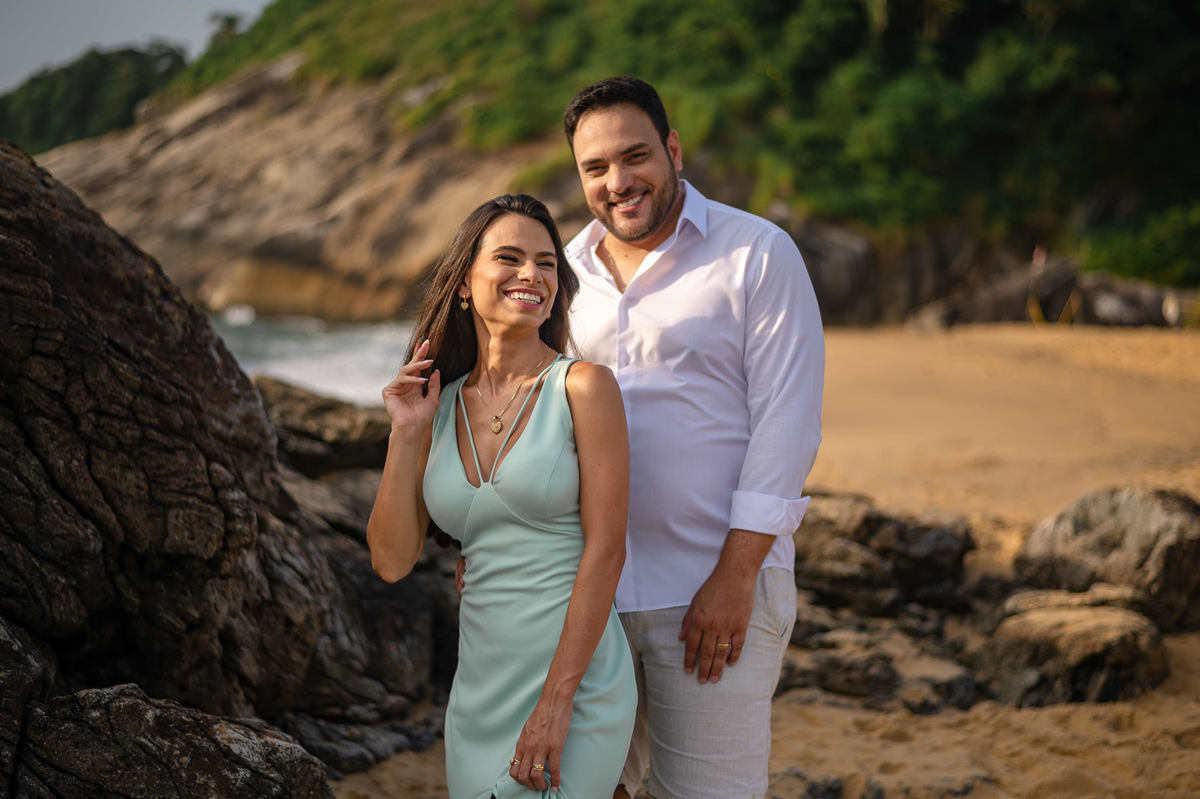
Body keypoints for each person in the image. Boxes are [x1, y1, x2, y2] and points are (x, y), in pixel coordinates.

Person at [561, 77, 825, 798]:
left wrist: (735, 577)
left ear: (672, 151)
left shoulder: (757, 253)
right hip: (588, 597)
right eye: (595, 167)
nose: (618, 182)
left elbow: (788, 422)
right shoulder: (564, 274)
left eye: (635, 156)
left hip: (710, 588)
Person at [366, 194, 636, 799]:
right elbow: (390, 561)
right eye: (510, 258)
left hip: (576, 685)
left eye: (546, 263)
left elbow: (607, 551)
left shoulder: (584, 388)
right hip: (480, 694)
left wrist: (556, 703)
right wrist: (405, 432)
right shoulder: (435, 406)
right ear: (465, 282)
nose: (531, 274)